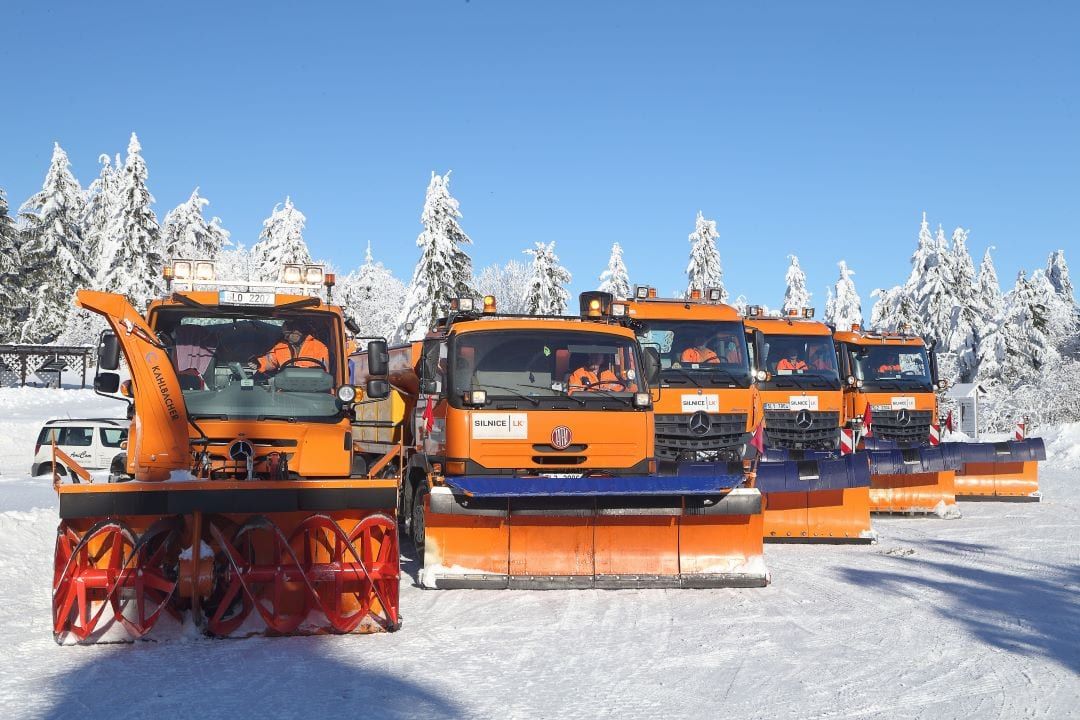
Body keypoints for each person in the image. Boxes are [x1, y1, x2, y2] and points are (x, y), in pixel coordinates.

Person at [248, 319, 330, 375]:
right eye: (284, 335)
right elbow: (269, 360)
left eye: (287, 334)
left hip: (312, 390)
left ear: (298, 332)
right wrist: (258, 363)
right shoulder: (281, 346)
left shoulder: (319, 348)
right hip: (285, 389)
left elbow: (324, 373)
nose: (285, 337)